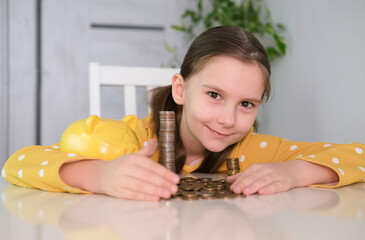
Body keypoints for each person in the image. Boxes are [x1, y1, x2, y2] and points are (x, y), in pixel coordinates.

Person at [2, 26, 365, 201]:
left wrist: (293, 170)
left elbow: (360, 156)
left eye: (246, 104)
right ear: (180, 90)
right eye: (214, 95)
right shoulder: (133, 140)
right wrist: (101, 175)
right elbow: (18, 162)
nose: (227, 119)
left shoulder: (254, 151)